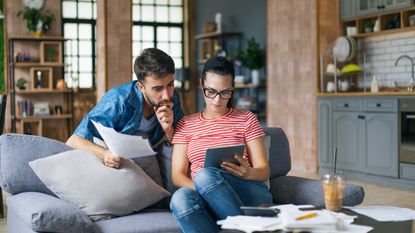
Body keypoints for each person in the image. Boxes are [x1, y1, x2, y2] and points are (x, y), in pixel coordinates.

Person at [170, 56, 272, 232]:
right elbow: (177, 176)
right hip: (202, 191)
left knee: (204, 175)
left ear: (232, 89)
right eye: (211, 91)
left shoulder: (247, 119)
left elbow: (264, 171)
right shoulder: (186, 124)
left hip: (247, 190)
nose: (217, 100)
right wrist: (205, 190)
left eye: (225, 92)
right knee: (180, 198)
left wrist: (249, 172)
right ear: (202, 85)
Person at [66, 48, 184, 168]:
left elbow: (183, 140)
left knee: (174, 150)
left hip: (149, 150)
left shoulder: (172, 97)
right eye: (157, 89)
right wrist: (104, 154)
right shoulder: (118, 100)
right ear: (140, 87)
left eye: (170, 85)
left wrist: (168, 130)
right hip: (114, 155)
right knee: (140, 138)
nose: (166, 95)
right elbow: (74, 140)